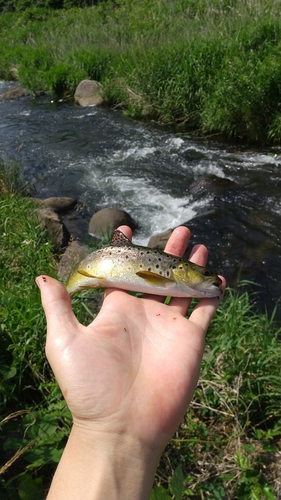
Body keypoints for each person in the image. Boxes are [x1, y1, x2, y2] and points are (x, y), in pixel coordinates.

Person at [36, 225, 226, 500]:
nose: (213, 280)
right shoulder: (170, 273)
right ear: (183, 271)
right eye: (207, 275)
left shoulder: (179, 279)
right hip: (97, 267)